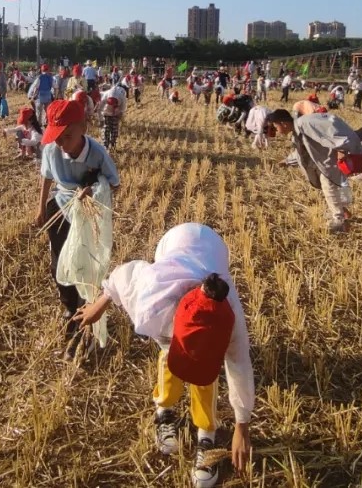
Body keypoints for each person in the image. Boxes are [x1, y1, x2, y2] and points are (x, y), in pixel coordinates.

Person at [75, 223, 253, 488]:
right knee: (169, 360)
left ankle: (206, 432)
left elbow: (239, 366)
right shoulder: (151, 298)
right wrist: (99, 305)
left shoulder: (230, 318)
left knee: (204, 378)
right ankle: (164, 409)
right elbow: (124, 274)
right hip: (173, 243)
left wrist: (242, 426)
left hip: (212, 248)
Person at [33, 99, 120, 358]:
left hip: (88, 213)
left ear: (83, 126)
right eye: (56, 137)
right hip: (60, 208)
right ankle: (70, 306)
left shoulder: (97, 153)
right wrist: (40, 207)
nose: (61, 143)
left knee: (86, 265)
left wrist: (94, 188)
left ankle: (86, 312)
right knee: (59, 263)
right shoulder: (51, 150)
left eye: (67, 136)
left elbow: (115, 185)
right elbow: (47, 176)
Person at [264, 109, 362, 233]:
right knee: (328, 188)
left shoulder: (306, 124)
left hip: (330, 162)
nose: (276, 130)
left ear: (283, 123)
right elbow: (302, 152)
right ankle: (341, 212)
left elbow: (331, 129)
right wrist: (288, 161)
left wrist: (342, 149)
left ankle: (339, 221)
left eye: (275, 126)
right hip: (323, 163)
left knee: (329, 188)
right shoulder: (297, 131)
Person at [100, 83, 128, 151]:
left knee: (114, 129)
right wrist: (101, 119)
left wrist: (120, 116)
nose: (112, 107)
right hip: (106, 112)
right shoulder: (105, 95)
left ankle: (113, 144)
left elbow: (122, 109)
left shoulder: (122, 97)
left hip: (116, 113)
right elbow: (99, 108)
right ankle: (105, 145)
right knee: (106, 128)